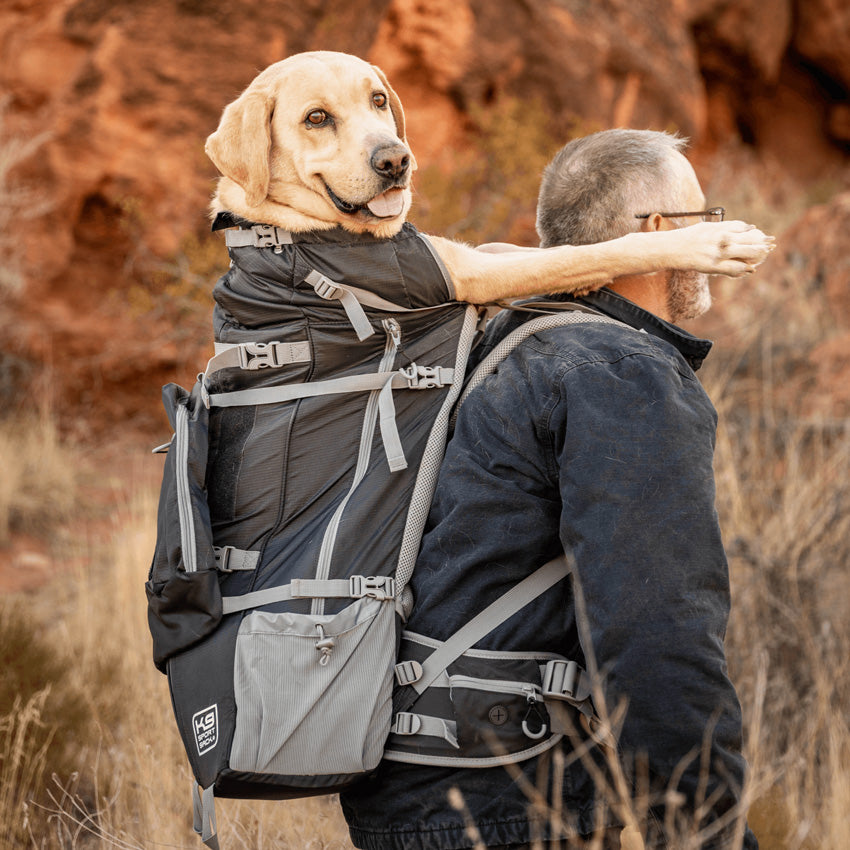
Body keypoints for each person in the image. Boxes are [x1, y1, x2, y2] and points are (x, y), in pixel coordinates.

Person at [340, 129, 761, 850]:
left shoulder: (497, 341)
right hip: (503, 791)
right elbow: (657, 628)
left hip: (404, 779)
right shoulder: (622, 370)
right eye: (703, 220)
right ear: (657, 234)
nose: (714, 241)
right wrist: (706, 831)